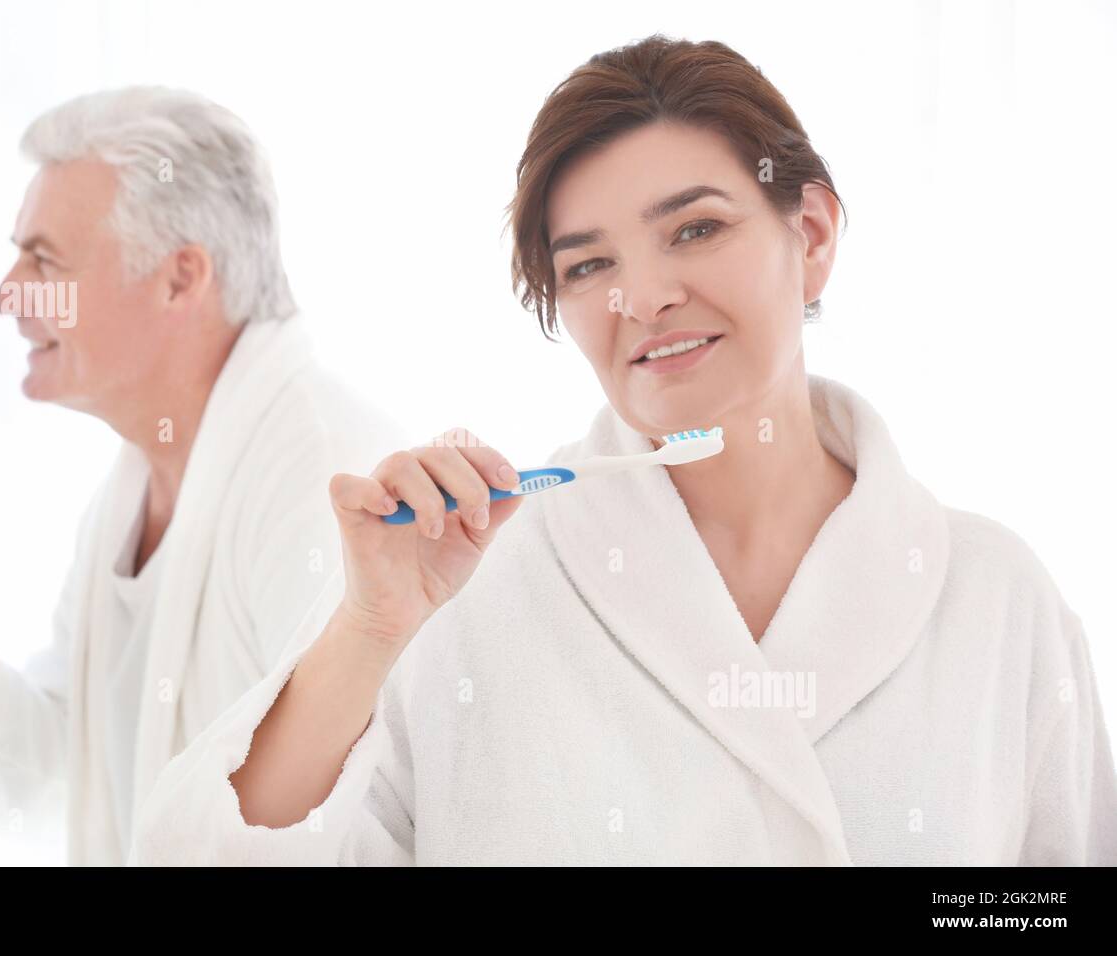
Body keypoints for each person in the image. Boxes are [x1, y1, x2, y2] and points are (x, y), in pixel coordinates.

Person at [130, 37, 1117, 865]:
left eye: (694, 228)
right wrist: (369, 627)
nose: (640, 298)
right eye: (590, 263)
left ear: (809, 231)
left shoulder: (995, 599)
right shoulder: (465, 586)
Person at [0, 86, 405, 865]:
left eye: (44, 260)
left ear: (179, 279)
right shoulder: (134, 484)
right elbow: (90, 785)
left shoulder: (326, 480)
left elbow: (341, 831)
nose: (7, 294)